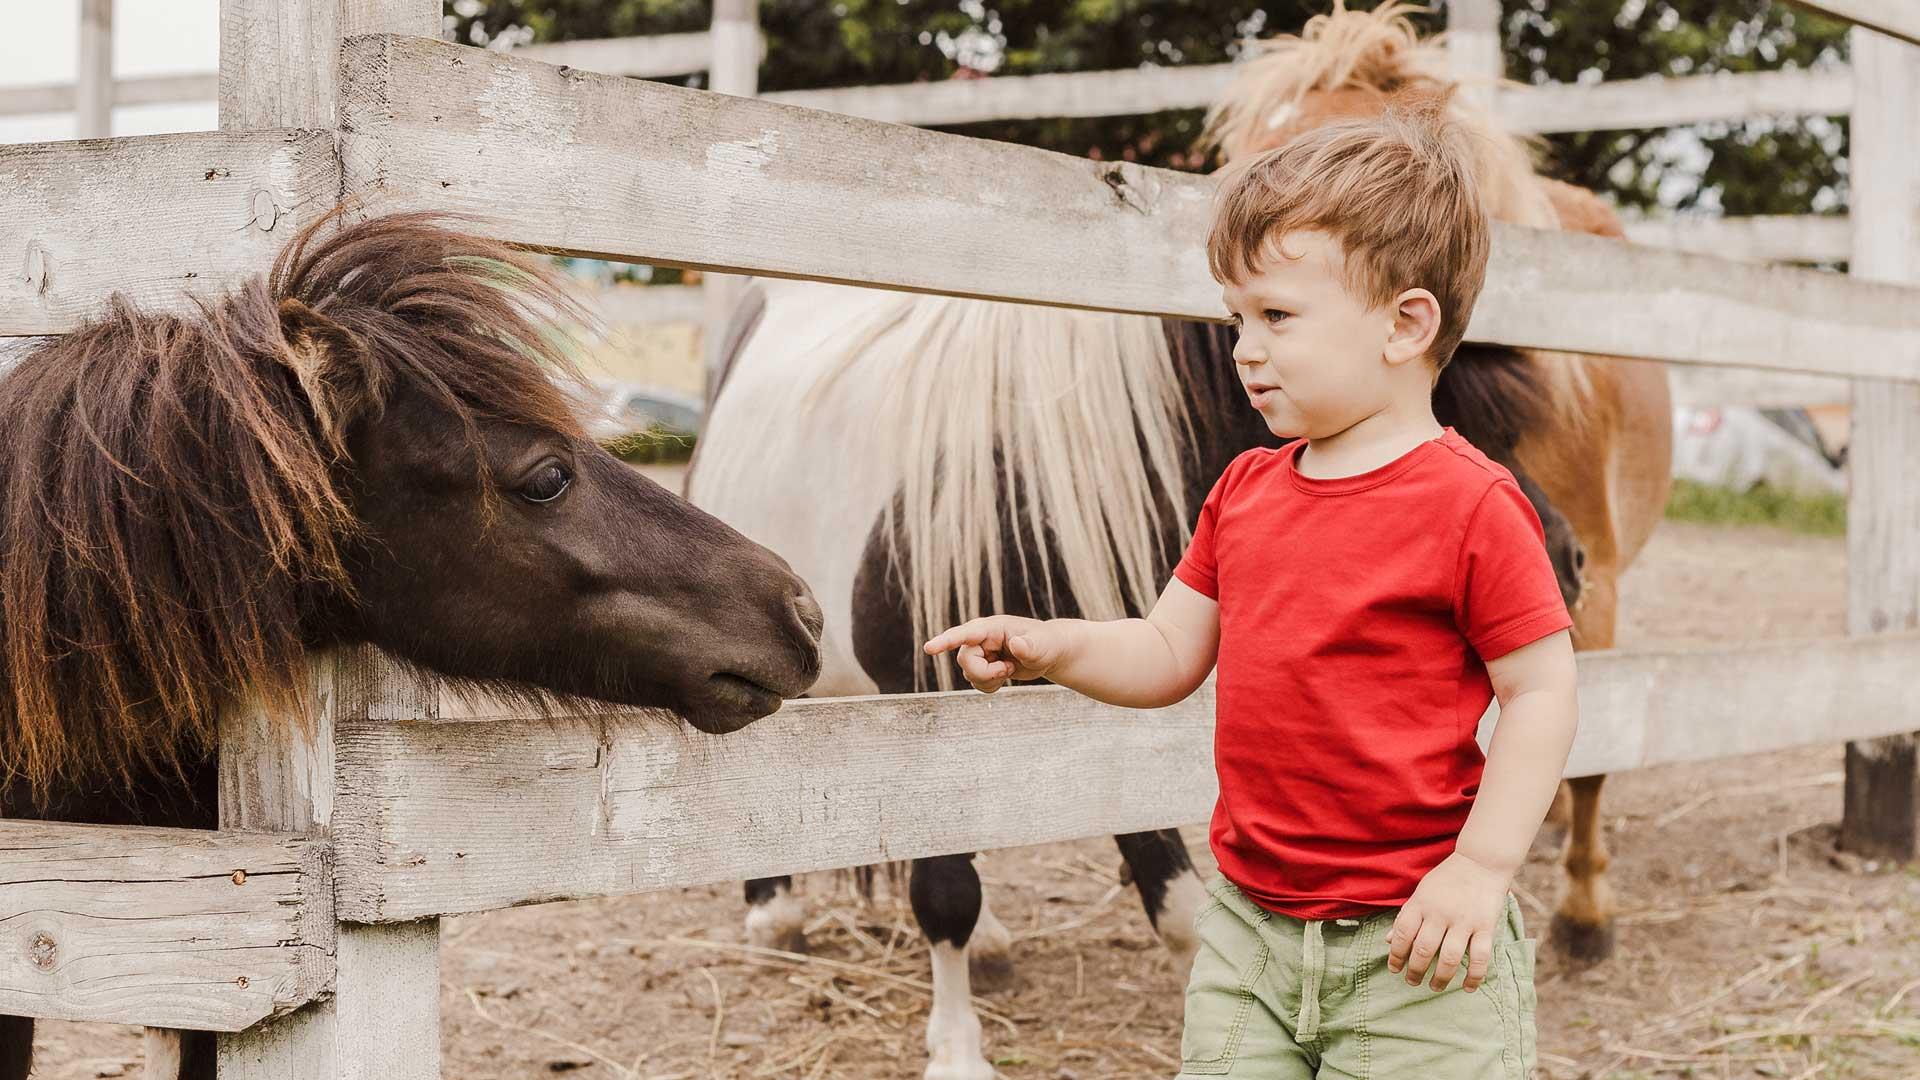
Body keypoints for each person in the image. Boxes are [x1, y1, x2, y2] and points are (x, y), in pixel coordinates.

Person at [924, 105, 1576, 1078]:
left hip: (1416, 945)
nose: (1243, 347)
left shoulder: (1472, 507)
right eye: (1235, 316)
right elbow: (1166, 653)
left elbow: (1542, 691)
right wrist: (1052, 646)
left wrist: (1481, 870)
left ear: (1406, 324)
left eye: (1275, 316)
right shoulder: (1245, 492)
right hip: (1248, 932)